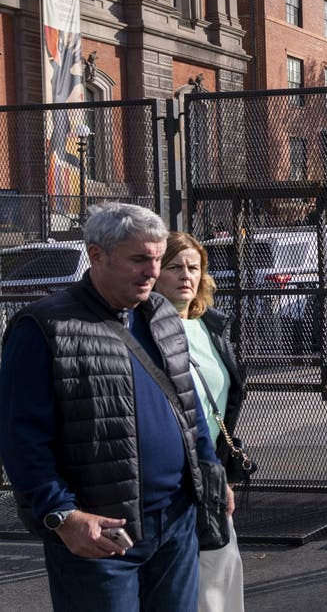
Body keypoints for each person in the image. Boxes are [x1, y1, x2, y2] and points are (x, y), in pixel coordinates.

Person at [0, 202, 220, 611]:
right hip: (99, 535)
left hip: (176, 523)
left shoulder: (161, 314)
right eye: (138, 259)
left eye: (156, 259)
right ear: (96, 255)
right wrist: (62, 515)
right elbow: (20, 439)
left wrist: (211, 470)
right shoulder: (44, 328)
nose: (152, 272)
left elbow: (187, 406)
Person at [155, 231, 247, 612]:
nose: (186, 276)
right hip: (168, 476)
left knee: (222, 569)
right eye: (174, 267)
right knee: (182, 581)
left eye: (194, 267)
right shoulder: (143, 331)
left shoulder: (210, 327)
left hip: (209, 471)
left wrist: (220, 468)